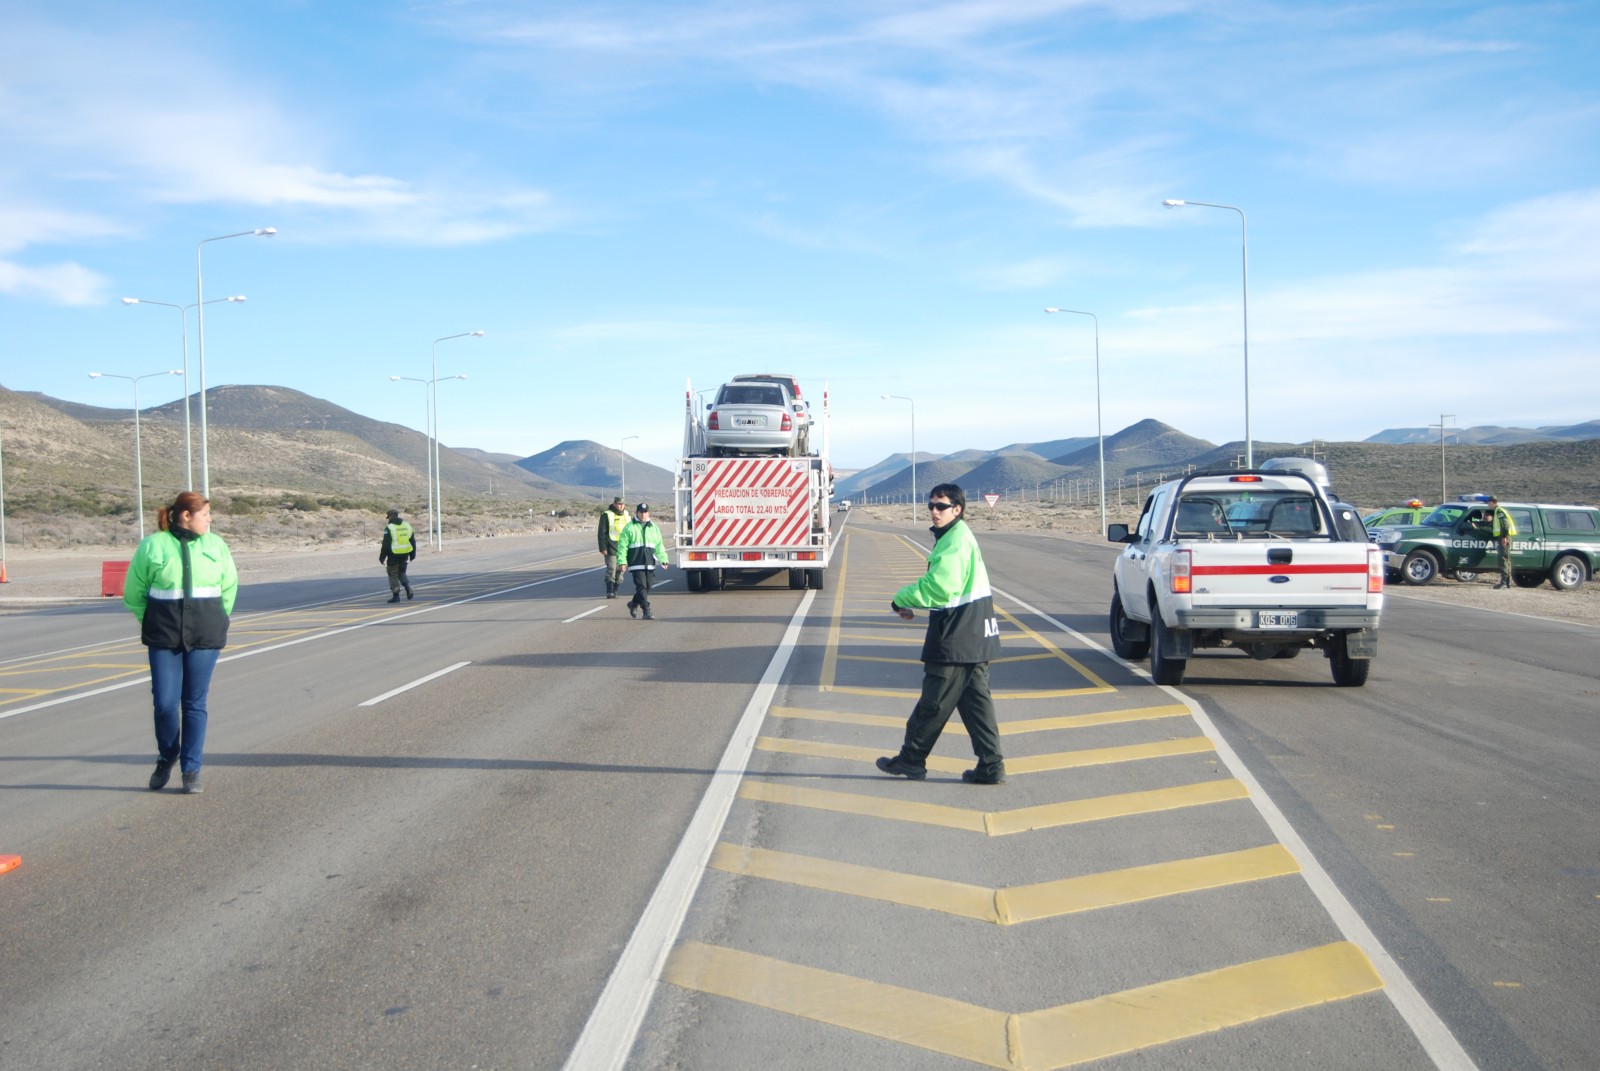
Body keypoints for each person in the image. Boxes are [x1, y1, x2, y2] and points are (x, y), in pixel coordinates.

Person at [876, 483, 1006, 785]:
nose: (934, 511)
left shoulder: (955, 541)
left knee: (933, 703)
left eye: (941, 506)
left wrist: (901, 598)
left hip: (957, 634)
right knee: (977, 706)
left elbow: (940, 588)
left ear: (957, 509)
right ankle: (991, 765)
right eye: (931, 505)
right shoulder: (957, 536)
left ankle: (911, 759)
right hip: (974, 633)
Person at [124, 491, 239, 794]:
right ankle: (167, 754)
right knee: (164, 703)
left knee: (194, 703)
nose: (210, 520)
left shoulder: (216, 545)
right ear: (186, 515)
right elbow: (134, 592)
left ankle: (191, 769)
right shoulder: (153, 545)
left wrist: (217, 619)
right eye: (205, 514)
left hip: (205, 637)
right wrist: (151, 621)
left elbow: (229, 588)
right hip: (165, 637)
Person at [614, 502, 668, 619]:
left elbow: (659, 545)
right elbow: (622, 546)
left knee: (648, 586)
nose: (643, 514)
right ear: (636, 513)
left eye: (645, 512)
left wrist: (663, 559)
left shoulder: (653, 527)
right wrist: (622, 562)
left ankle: (633, 603)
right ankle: (646, 611)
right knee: (641, 586)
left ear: (648, 513)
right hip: (636, 563)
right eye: (641, 512)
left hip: (649, 563)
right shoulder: (629, 527)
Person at [379, 507, 416, 602]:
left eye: (388, 518)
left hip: (393, 554)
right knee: (401, 572)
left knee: (392, 574)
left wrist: (382, 557)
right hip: (405, 553)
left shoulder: (389, 528)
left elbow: (385, 544)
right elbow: (412, 541)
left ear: (390, 517)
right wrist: (413, 554)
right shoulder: (407, 526)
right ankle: (407, 587)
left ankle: (396, 596)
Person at [597, 496, 628, 598]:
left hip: (624, 547)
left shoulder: (627, 515)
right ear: (614, 504)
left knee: (621, 570)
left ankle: (615, 590)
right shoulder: (607, 515)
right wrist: (602, 547)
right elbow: (601, 532)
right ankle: (609, 591)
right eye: (619, 504)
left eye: (623, 504)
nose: (621, 506)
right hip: (611, 546)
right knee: (612, 569)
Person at [1485, 495, 1518, 589]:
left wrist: (1504, 537)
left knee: (1503, 559)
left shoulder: (1499, 511)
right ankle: (1507, 582)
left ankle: (1504, 582)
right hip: (1504, 536)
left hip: (1504, 537)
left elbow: (1505, 525)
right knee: (1506, 559)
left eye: (1488, 503)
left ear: (1491, 502)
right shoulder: (1497, 511)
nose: (1488, 505)